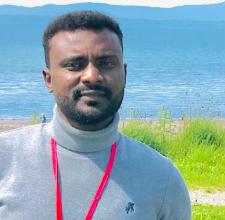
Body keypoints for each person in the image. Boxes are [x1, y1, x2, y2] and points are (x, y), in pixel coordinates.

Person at [0, 11, 191, 219]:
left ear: (124, 74)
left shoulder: (161, 178)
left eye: (106, 63)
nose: (91, 76)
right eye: (75, 64)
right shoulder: (6, 159)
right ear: (48, 79)